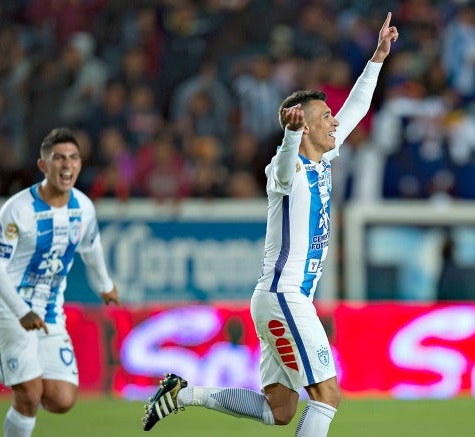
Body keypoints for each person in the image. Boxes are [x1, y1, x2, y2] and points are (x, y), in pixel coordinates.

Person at [141, 11, 399, 436]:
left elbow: (358, 106)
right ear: (305, 127)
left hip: (276, 298)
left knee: (280, 411)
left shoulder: (324, 158)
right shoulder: (288, 170)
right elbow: (282, 169)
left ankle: (181, 395)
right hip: (285, 297)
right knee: (328, 394)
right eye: (325, 117)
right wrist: (291, 136)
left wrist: (377, 58)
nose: (335, 121)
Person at [0, 127, 120, 437]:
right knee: (29, 394)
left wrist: (105, 285)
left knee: (61, 399)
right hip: (9, 307)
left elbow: (91, 245)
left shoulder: (83, 207)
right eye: (58, 158)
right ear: (43, 166)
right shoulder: (18, 210)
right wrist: (21, 310)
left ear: (80, 165)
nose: (66, 165)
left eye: (73, 157)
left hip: (50, 312)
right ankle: (8, 372)